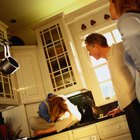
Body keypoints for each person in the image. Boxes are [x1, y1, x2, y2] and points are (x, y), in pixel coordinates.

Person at [85, 33, 140, 140]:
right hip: (128, 106)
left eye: (89, 50)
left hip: (135, 103)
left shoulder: (119, 48)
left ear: (96, 46)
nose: (89, 54)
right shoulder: (110, 59)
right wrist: (120, 107)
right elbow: (123, 84)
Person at [108, 0, 140, 103]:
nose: (108, 8)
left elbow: (131, 34)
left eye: (110, 3)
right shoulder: (136, 17)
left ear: (117, 3)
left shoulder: (127, 20)